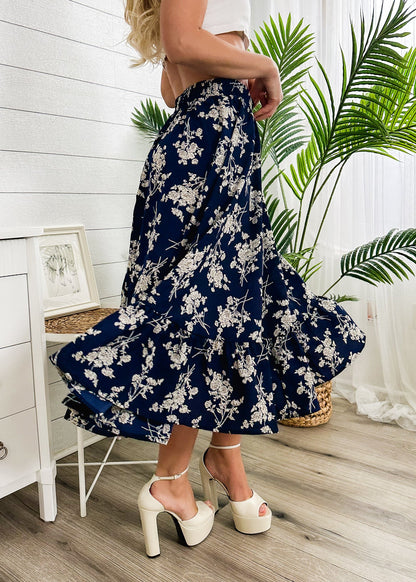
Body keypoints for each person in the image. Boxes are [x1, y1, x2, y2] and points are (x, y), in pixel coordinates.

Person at [50, 0, 366, 558]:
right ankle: (172, 479)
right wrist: (262, 66)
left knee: (240, 300)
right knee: (205, 303)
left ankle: (225, 457)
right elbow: (182, 43)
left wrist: (231, 72)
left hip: (212, 142)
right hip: (210, 145)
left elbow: (174, 86)